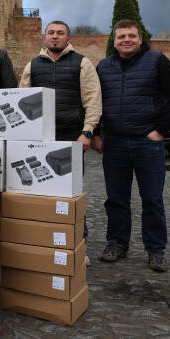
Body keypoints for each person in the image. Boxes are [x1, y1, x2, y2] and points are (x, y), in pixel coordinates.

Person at [92, 19, 170, 272]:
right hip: (114, 143)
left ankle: (156, 250)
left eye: (131, 36)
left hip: (147, 143)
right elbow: (94, 103)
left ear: (141, 38)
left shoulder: (157, 61)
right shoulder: (103, 67)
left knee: (152, 198)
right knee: (116, 199)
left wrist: (159, 131)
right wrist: (97, 134)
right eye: (121, 36)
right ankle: (117, 243)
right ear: (114, 40)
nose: (126, 40)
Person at [20, 20, 102, 266]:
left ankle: (78, 245)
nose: (55, 37)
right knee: (40, 192)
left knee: (71, 194)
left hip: (70, 136)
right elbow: (23, 102)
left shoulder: (82, 62)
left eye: (60, 33)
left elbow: (93, 100)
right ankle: (44, 241)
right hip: (40, 138)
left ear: (68, 39)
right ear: (44, 38)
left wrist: (87, 132)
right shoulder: (32, 66)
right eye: (51, 33)